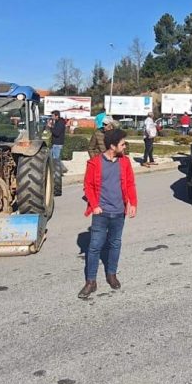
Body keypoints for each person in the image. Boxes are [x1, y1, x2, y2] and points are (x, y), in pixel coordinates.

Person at [79, 128, 137, 299]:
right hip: (101, 212)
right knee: (95, 246)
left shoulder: (125, 162)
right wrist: (95, 205)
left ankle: (111, 274)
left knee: (115, 243)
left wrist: (132, 203)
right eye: (122, 144)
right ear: (112, 146)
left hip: (119, 212)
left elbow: (130, 184)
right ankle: (91, 281)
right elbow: (88, 186)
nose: (125, 147)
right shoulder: (95, 163)